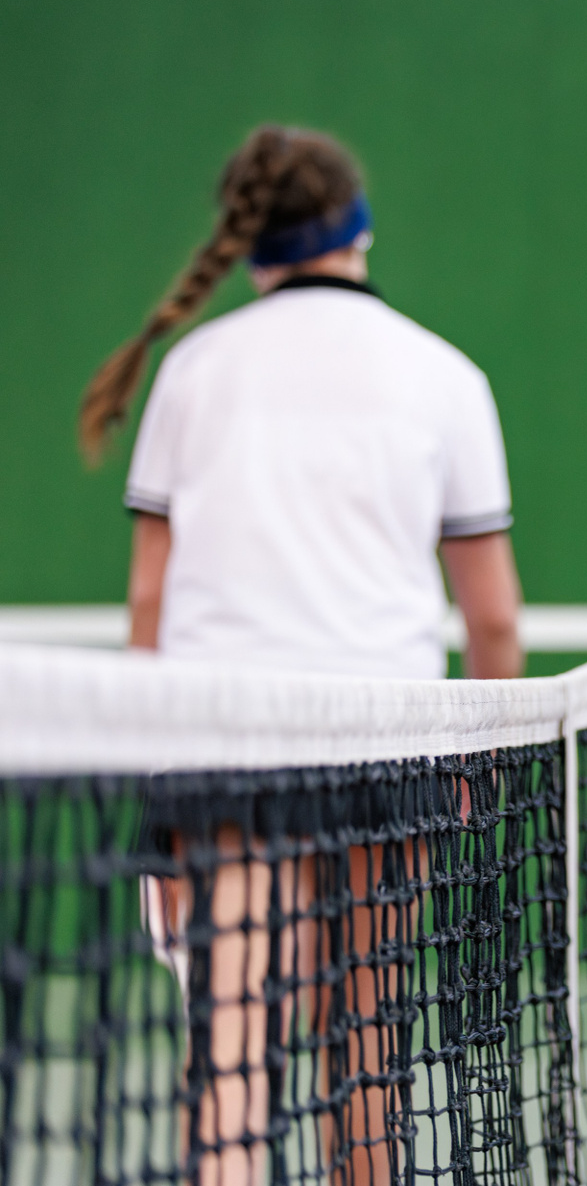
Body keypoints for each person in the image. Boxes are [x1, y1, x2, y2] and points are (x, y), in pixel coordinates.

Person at [78, 124, 524, 1185]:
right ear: (358, 228)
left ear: (249, 244)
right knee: (368, 1057)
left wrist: (150, 765)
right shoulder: (446, 375)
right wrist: (480, 761)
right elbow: (494, 620)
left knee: (231, 1055)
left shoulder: (190, 371)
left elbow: (150, 597)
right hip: (389, 752)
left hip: (224, 750)